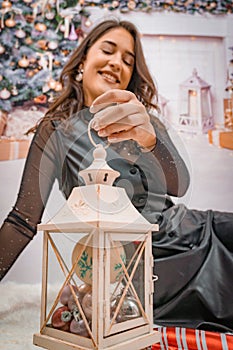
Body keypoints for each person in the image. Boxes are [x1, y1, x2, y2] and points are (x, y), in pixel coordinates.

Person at [0, 18, 233, 333]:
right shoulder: (55, 128)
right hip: (134, 262)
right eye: (108, 51)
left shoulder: (143, 122)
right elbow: (23, 220)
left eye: (128, 60)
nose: (116, 63)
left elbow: (179, 186)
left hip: (191, 229)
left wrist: (149, 140)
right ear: (83, 60)